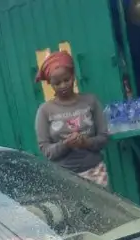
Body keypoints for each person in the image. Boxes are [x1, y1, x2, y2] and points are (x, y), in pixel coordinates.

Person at [35, 52, 110, 187]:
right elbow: (46, 150)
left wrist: (85, 142)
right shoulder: (45, 111)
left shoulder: (91, 101)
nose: (63, 85)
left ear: (74, 76)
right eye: (57, 83)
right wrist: (66, 144)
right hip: (64, 178)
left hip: (95, 172)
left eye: (67, 80)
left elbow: (104, 137)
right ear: (50, 84)